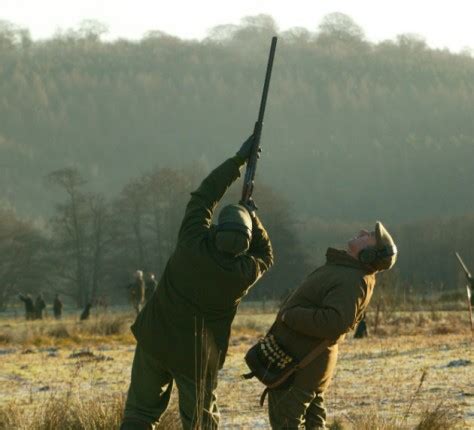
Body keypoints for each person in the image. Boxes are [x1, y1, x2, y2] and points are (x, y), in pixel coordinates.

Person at [120, 135, 273, 430]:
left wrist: (237, 161)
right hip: (196, 358)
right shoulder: (242, 274)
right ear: (245, 245)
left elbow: (204, 196)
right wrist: (255, 219)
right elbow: (266, 254)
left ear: (214, 230)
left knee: (139, 415)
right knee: (200, 424)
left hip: (155, 339)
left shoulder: (192, 241)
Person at [266, 222, 397, 429]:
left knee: (285, 424)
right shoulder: (348, 272)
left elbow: (335, 322)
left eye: (369, 235)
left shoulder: (353, 280)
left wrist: (290, 315)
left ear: (369, 254)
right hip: (306, 363)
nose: (362, 231)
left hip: (302, 366)